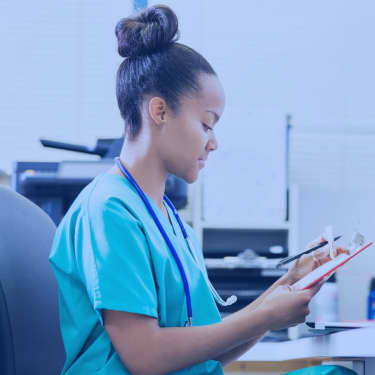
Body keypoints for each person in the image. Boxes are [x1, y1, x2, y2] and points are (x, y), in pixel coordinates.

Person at [49, 5, 353, 375]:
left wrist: (290, 285)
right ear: (159, 111)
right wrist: (267, 314)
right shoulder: (109, 210)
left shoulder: (173, 224)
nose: (213, 143)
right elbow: (146, 357)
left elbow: (204, 354)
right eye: (207, 125)